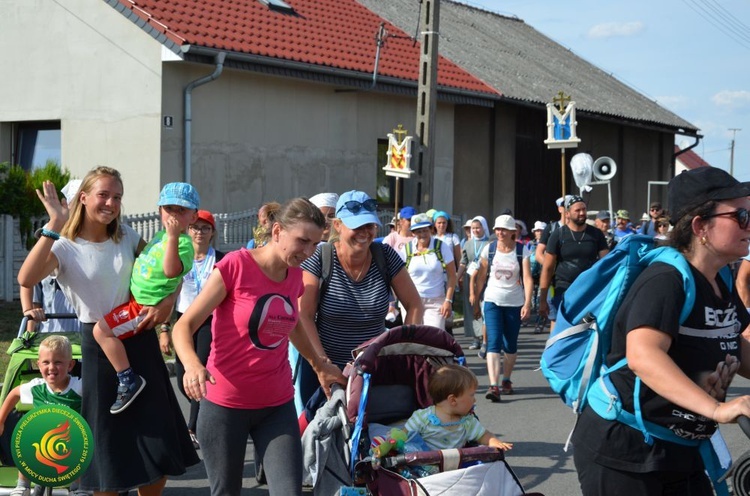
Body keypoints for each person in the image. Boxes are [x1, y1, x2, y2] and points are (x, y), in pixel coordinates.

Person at [17, 167, 199, 494]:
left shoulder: (127, 236)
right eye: (103, 194)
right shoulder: (64, 246)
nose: (111, 202)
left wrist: (168, 303)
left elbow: (170, 272)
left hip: (140, 338)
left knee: (156, 442)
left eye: (117, 197)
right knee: (108, 451)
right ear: (83, 198)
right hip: (100, 349)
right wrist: (55, 224)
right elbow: (26, 278)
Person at [572, 166, 750, 495]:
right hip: (624, 449)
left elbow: (738, 347)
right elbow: (643, 355)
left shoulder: (722, 280)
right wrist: (718, 409)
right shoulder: (666, 280)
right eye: (740, 215)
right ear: (701, 227)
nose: (749, 224)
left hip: (681, 448)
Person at [172, 198, 343, 496]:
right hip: (224, 405)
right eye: (302, 241)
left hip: (276, 405)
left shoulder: (294, 275)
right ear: (277, 231)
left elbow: (292, 324)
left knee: (289, 491)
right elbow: (183, 326)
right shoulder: (235, 266)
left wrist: (319, 364)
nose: (308, 252)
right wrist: (192, 365)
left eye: (315, 244)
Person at [298, 191, 423, 400]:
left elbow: (414, 304)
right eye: (356, 226)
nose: (364, 232)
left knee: (375, 430)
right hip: (324, 370)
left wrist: (404, 350)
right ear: (338, 225)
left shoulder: (385, 256)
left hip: (372, 369)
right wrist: (322, 364)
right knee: (317, 429)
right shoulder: (321, 257)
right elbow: (304, 314)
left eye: (369, 225)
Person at [92, 182, 198, 414]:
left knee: (100, 331)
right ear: (160, 210)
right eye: (169, 208)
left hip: (142, 307)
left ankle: (127, 377)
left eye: (182, 210)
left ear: (193, 216)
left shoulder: (183, 244)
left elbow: (171, 271)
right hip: (134, 299)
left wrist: (172, 238)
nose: (174, 215)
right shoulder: (161, 236)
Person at [0, 335, 83, 496]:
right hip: (42, 440)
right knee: (27, 438)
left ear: (70, 365)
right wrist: (1, 420)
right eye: (46, 362)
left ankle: (77, 487)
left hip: (70, 439)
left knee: (80, 442)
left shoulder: (79, 387)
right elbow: (14, 393)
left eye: (58, 362)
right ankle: (23, 485)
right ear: (39, 365)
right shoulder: (38, 387)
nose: (51, 367)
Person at [170, 210, 225, 450]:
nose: (200, 232)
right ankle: (204, 417)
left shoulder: (221, 260)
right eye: (196, 228)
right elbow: (169, 294)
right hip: (183, 321)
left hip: (210, 322)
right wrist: (164, 328)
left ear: (212, 233)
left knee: (198, 369)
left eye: (205, 228)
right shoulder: (181, 257)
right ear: (188, 230)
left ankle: (192, 427)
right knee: (183, 376)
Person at [472, 215, 533, 401]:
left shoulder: (522, 251)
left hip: (514, 302)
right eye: (497, 229)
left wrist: (528, 303)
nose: (500, 233)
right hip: (492, 301)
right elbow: (482, 276)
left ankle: (506, 379)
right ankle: (494, 385)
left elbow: (528, 278)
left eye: (504, 230)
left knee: (510, 345)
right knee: (494, 341)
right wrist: (476, 299)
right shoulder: (489, 249)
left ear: (512, 232)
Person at [539, 195, 609, 333]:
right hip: (564, 290)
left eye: (584, 209)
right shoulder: (558, 235)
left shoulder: (596, 234)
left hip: (589, 290)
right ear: (567, 213)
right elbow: (547, 268)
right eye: (577, 210)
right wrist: (542, 300)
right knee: (563, 331)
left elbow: (606, 263)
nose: (582, 213)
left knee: (585, 331)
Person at [404, 364, 513, 451]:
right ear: (453, 400)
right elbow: (403, 435)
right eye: (472, 395)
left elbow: (483, 435)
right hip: (424, 469)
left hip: (457, 468)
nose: (474, 400)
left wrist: (493, 442)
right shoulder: (422, 418)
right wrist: (392, 441)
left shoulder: (467, 421)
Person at [402, 213, 457, 331]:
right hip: (412, 301)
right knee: (413, 337)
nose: (422, 234)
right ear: (413, 233)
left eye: (425, 230)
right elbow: (399, 276)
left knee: (433, 337)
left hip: (436, 300)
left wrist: (448, 300)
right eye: (418, 231)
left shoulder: (441, 247)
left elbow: (452, 275)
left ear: (431, 229)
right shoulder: (407, 249)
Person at [456, 216, 491, 350]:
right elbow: (463, 262)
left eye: (478, 227)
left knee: (483, 306)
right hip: (469, 279)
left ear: (484, 228)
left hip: (484, 278)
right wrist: (457, 276)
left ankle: (485, 338)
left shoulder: (489, 243)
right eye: (473, 228)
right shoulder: (468, 244)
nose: (476, 230)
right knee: (471, 307)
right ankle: (475, 337)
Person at [527, 221, 546, 333]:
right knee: (532, 301)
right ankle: (532, 319)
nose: (539, 232)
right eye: (537, 230)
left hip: (543, 276)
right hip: (531, 275)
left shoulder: (548, 243)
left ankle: (540, 323)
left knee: (540, 300)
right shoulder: (530, 244)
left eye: (541, 230)